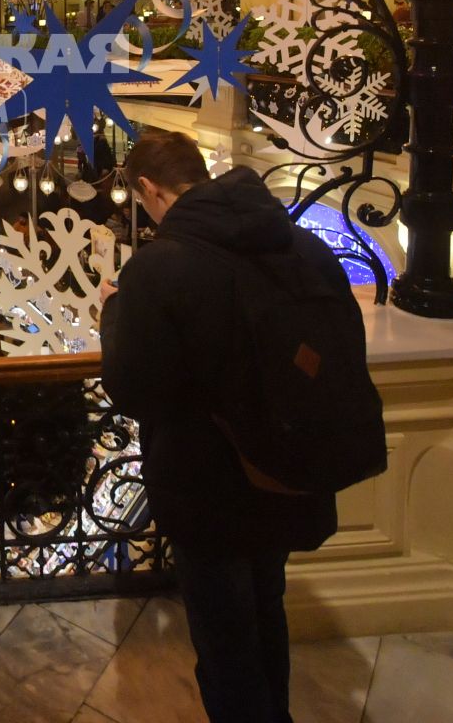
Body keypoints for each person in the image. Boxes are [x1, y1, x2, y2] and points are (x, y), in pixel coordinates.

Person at [101, 129, 372, 723]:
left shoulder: (160, 266)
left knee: (225, 644)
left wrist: (116, 308)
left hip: (208, 487)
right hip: (285, 468)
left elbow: (133, 387)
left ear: (148, 189)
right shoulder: (300, 245)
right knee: (266, 612)